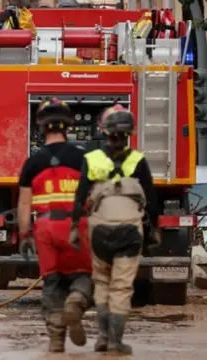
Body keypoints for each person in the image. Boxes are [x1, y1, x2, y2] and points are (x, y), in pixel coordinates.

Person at [70, 104, 160, 355]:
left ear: (104, 132)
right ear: (129, 133)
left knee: (102, 283)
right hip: (129, 232)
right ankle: (115, 341)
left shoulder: (91, 159)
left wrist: (75, 227)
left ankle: (101, 336)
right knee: (121, 288)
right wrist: (155, 229)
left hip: (100, 231)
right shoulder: (138, 160)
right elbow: (151, 199)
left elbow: (80, 197)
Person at [17, 98, 93, 353]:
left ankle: (56, 339)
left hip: (45, 228)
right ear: (68, 125)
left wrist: (24, 234)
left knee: (52, 282)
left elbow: (25, 205)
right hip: (76, 227)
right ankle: (76, 302)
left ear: (41, 126)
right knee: (83, 275)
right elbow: (92, 198)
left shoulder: (32, 163)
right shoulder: (83, 157)